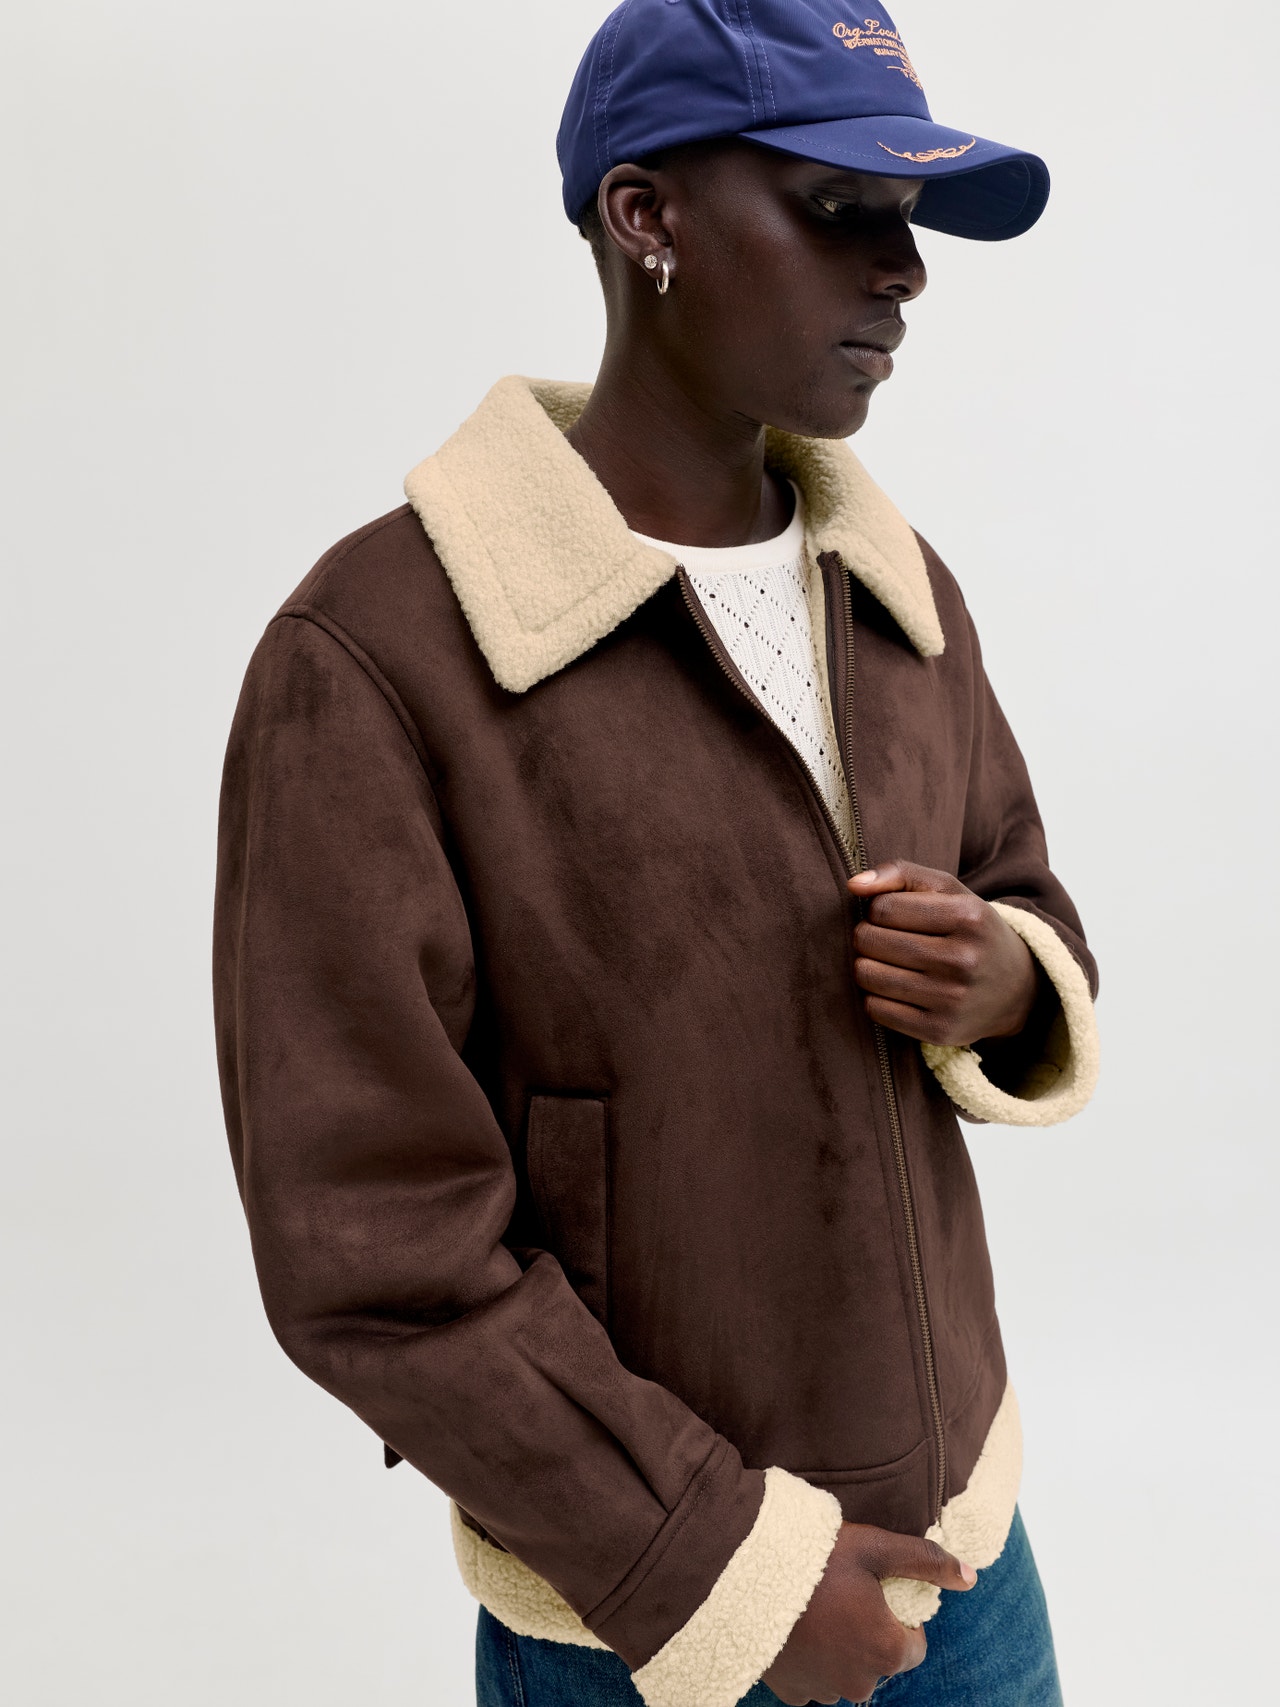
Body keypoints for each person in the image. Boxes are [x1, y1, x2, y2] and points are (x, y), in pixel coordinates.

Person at [213, 4, 1100, 1703]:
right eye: (840, 207)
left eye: (911, 219)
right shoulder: (382, 654)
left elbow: (1021, 882)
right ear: (646, 217)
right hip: (649, 1621)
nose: (905, 272)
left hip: (967, 1561)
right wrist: (718, 1576)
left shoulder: (897, 590)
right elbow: (371, 1252)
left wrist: (1006, 978)